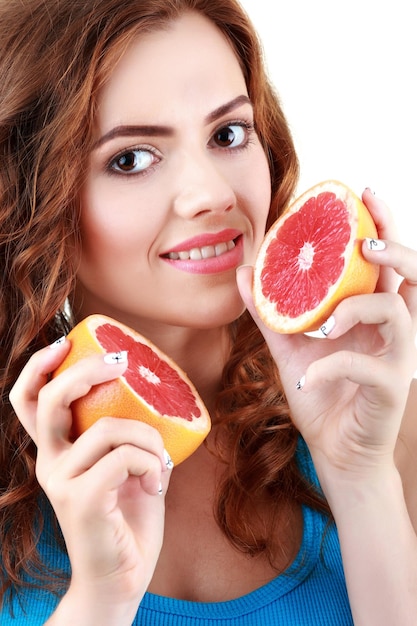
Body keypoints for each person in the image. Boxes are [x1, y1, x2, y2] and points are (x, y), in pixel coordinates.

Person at [1, 0, 416, 623]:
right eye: (130, 158)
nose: (212, 194)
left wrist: (358, 479)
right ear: (32, 200)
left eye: (228, 134)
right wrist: (101, 600)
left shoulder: (388, 434)